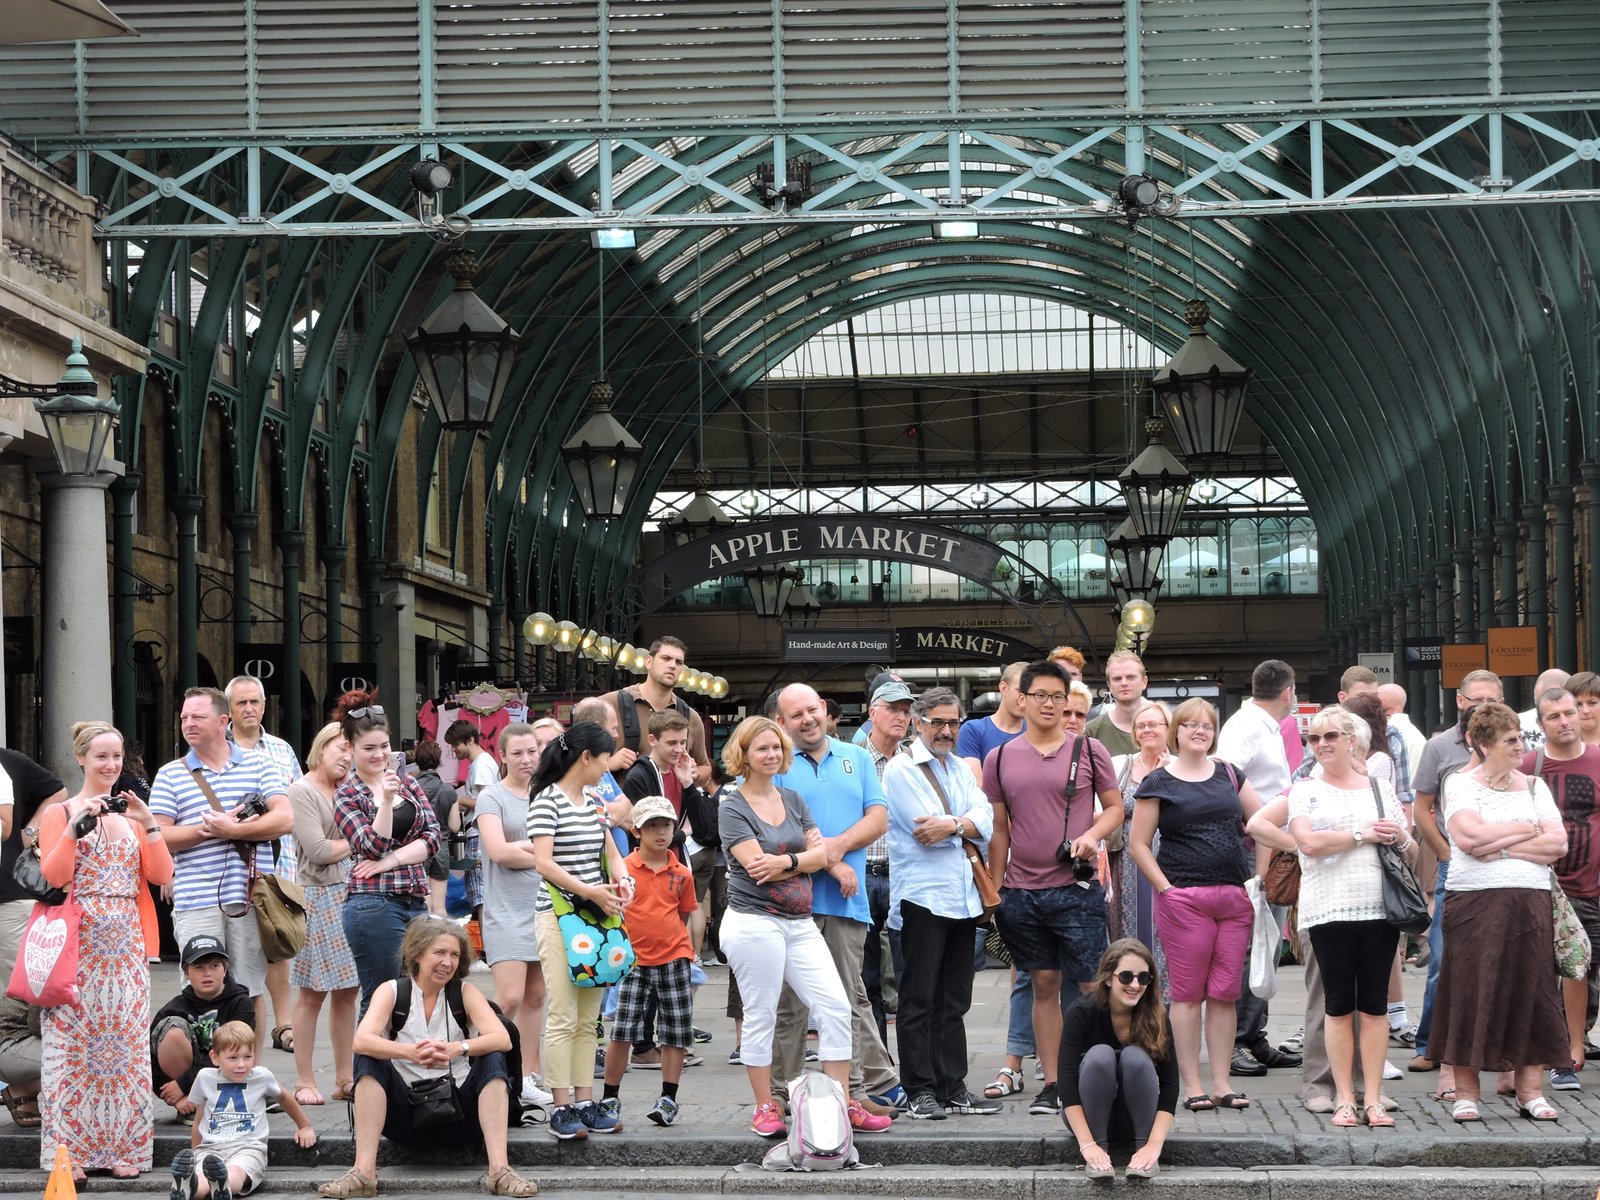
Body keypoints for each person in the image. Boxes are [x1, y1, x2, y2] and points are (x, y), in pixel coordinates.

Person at [1248, 707, 1410, 1128]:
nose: (1321, 744)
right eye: (1315, 738)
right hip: (1327, 908)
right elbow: (1308, 843)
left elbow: (1406, 839)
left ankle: (1372, 1097)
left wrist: (1396, 835)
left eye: (1331, 736)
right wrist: (1362, 835)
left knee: (1374, 1007)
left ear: (1352, 740)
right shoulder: (1305, 789)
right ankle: (1341, 1096)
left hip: (1379, 907)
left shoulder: (1378, 786)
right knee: (1336, 1006)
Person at [985, 660, 1122, 1117]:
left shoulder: (1088, 750)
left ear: (1068, 703)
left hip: (1075, 886)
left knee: (1090, 985)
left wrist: (1092, 835)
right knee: (1042, 982)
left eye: (1057, 697)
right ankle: (1055, 1083)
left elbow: (1115, 808)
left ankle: (1098, 1074)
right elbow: (999, 828)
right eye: (1039, 695)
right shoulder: (999, 758)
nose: (1049, 704)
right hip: (1020, 892)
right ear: (1020, 699)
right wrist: (996, 888)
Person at [38, 720, 174, 1179]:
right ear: (81, 758)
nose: (111, 765)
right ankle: (68, 1153)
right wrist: (74, 830)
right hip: (76, 944)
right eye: (101, 757)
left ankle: (123, 1150)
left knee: (123, 1049)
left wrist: (149, 822)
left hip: (127, 944)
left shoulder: (130, 816)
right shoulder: (60, 813)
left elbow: (159, 875)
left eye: (117, 757)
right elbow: (51, 878)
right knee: (72, 1049)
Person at [716, 716, 863, 1138]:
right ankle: (765, 1106)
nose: (772, 755)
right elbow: (755, 868)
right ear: (743, 754)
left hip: (799, 923)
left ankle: (840, 1101)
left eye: (777, 748)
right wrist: (802, 862)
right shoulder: (732, 807)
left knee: (835, 1007)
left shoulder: (793, 798)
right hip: (753, 923)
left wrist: (787, 862)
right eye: (762, 748)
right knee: (761, 1014)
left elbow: (823, 853)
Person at [316, 917, 535, 1199]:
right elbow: (361, 1040)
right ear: (418, 954)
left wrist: (456, 1048)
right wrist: (410, 1052)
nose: (448, 962)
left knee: (492, 1054)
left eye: (455, 955)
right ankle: (363, 1172)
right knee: (367, 1056)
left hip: (460, 1115)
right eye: (440, 953)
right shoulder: (392, 991)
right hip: (405, 1117)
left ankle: (499, 1170)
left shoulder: (465, 992)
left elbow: (502, 1038)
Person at [1429, 701, 1569, 1122]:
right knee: (1471, 990)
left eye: (1520, 738)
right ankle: (1467, 1092)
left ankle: (1530, 1091)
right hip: (1474, 903)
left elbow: (1557, 843)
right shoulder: (1459, 784)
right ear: (1483, 744)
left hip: (1530, 903)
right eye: (1510, 740)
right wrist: (1525, 831)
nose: (1520, 746)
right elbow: (1468, 837)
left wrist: (1503, 846)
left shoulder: (1532, 786)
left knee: (1533, 991)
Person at [770, 684, 900, 1125]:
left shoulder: (857, 756)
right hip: (791, 903)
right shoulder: (777, 765)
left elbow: (878, 818)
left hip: (847, 901)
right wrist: (833, 864)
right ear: (782, 723)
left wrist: (835, 853)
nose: (806, 719)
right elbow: (779, 830)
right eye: (795, 715)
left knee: (848, 997)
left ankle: (856, 1091)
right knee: (790, 1002)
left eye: (812, 710)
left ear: (825, 710)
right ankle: (782, 1093)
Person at [1128, 698, 1261, 1113]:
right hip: (1184, 898)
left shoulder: (1229, 774)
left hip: (1234, 897)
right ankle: (1191, 1084)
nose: (1200, 731)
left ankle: (1222, 1082)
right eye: (1191, 725)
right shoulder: (1158, 781)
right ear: (1177, 731)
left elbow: (1261, 824)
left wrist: (1260, 878)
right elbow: (1138, 844)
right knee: (1186, 995)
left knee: (1225, 993)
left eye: (1207, 725)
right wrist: (1166, 889)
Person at [151, 688, 294, 1054]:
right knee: (202, 990)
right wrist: (206, 830)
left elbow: (284, 817)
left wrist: (235, 830)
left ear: (222, 722)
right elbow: (157, 836)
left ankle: (251, 1075)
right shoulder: (171, 774)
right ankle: (207, 1079)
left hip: (248, 899)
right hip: (196, 900)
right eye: (184, 718)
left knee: (248, 990)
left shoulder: (259, 765)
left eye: (197, 717)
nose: (188, 724)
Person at [882, 687, 1000, 1120]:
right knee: (918, 1000)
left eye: (953, 723)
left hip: (964, 898)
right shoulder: (900, 770)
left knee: (955, 1001)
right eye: (938, 723)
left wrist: (954, 824)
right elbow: (922, 829)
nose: (947, 730)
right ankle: (920, 1090)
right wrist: (964, 824)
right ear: (918, 723)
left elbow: (985, 820)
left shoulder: (960, 770)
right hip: (922, 898)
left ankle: (953, 1087)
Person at [527, 721, 633, 1140]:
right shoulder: (546, 801)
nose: (608, 767)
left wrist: (623, 881)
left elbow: (611, 850)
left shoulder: (592, 801)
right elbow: (543, 863)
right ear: (586, 758)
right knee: (563, 1014)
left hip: (595, 917)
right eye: (605, 758)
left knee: (588, 1018)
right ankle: (561, 1106)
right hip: (558, 917)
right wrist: (591, 891)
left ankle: (585, 1102)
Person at [1408, 669, 1502, 1077]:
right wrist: (1445, 852)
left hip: (1504, 867)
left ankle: (1498, 1050)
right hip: (1456, 867)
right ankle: (1430, 1044)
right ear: (1460, 701)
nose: (1483, 706)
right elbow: (1421, 808)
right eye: (1475, 699)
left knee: (1504, 961)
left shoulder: (1511, 744)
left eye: (1491, 699)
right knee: (1443, 959)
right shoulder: (1439, 747)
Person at [1214, 658, 1299, 1078]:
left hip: (1268, 845)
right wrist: (1250, 838)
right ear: (1288, 692)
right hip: (1254, 847)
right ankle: (1237, 1041)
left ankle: (1255, 1034)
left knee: (1266, 941)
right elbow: (1225, 776)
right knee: (1251, 943)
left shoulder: (1260, 724)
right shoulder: (1247, 725)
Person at [332, 697, 443, 1014]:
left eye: (384, 745)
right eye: (369, 748)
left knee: (416, 995)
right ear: (350, 748)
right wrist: (386, 801)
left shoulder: (408, 782)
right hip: (373, 903)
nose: (379, 754)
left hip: (415, 900)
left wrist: (390, 861)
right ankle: (369, 1064)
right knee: (382, 998)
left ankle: (402, 1063)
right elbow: (372, 846)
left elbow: (433, 837)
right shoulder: (347, 794)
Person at [600, 796, 700, 1126]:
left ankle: (668, 1098)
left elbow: (684, 913)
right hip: (631, 960)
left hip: (674, 958)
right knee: (623, 1031)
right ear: (637, 831)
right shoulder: (622, 869)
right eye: (652, 826)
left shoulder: (682, 873)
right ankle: (610, 1098)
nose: (660, 832)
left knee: (675, 1033)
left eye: (666, 825)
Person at [1525, 687, 1600, 1090]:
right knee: (1548, 971)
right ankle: (1560, 1055)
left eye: (1569, 712)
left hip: (1589, 885)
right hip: (1541, 884)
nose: (1565, 721)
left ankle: (1575, 1045)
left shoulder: (1598, 761)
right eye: (1554, 716)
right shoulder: (1528, 767)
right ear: (1541, 725)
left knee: (1580, 970)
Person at [474, 723, 552, 1110]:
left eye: (532, 751)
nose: (526, 759)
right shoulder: (492, 797)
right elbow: (499, 852)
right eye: (517, 753)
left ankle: (527, 1076)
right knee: (508, 997)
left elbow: (559, 847)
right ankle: (484, 1066)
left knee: (537, 997)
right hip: (505, 910)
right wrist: (540, 855)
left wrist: (527, 850)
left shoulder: (546, 794)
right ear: (502, 755)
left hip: (542, 907)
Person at [225, 674, 301, 1057]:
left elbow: (296, 804)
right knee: (240, 949)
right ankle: (238, 1031)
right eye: (241, 703)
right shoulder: (217, 750)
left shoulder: (282, 750)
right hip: (230, 865)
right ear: (229, 710)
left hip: (278, 861)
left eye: (255, 701)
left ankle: (284, 1024)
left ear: (265, 705)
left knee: (277, 942)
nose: (249, 708)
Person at [287, 722, 360, 1106]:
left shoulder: (351, 788)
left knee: (349, 991)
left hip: (353, 892)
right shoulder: (302, 790)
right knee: (312, 993)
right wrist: (364, 837)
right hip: (317, 896)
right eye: (341, 747)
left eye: (352, 749)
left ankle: (345, 1077)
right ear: (321, 747)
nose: (347, 756)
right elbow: (317, 850)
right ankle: (303, 1078)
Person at [1060, 939, 1177, 1180]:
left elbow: (1170, 1085)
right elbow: (1066, 1084)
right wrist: (1088, 1145)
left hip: (1134, 1118)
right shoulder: (1081, 1012)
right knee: (1100, 1055)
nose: (1135, 985)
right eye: (1126, 977)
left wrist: (1153, 1147)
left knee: (1135, 1056)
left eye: (1143, 978)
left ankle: (1142, 1154)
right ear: (1108, 977)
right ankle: (1101, 1154)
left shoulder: (1156, 1015)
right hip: (1088, 1118)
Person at [169, 1019, 316, 1200]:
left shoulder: (261, 1076)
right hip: (210, 1149)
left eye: (248, 1057)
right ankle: (189, 1188)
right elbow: (199, 1120)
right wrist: (195, 1152)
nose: (241, 1064)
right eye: (233, 1058)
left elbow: (284, 1097)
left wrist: (304, 1126)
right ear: (215, 1057)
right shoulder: (205, 1077)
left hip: (248, 1148)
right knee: (201, 1178)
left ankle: (222, 1185)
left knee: (236, 1172)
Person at [860, 678, 914, 1043]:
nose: (901, 716)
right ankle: (877, 1065)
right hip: (862, 874)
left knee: (910, 975)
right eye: (893, 709)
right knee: (866, 979)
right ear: (872, 712)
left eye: (907, 711)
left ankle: (914, 1070)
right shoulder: (851, 759)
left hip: (904, 876)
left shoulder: (914, 762)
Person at [152, 936, 257, 1121]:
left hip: (228, 1075)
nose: (207, 973)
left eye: (214, 966)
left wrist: (183, 1084)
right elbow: (149, 1061)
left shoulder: (241, 1003)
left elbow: (236, 1052)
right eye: (199, 967)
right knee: (172, 1031)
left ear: (225, 970)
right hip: (187, 1081)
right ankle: (192, 1104)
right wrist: (175, 1096)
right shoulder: (172, 1008)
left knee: (235, 1049)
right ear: (186, 973)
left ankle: (225, 1099)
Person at [599, 636, 712, 783]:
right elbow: (578, 760)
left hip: (672, 804)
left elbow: (705, 767)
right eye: (666, 658)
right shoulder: (609, 705)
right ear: (648, 662)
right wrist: (609, 764)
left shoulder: (690, 716)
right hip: (624, 802)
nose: (672, 665)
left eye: (679, 662)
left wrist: (694, 772)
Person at [1109, 700, 1172, 957]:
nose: (1146, 730)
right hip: (1127, 862)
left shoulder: (1179, 767)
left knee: (1166, 926)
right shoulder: (1120, 765)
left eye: (1154, 724)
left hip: (1168, 857)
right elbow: (1108, 810)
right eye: (1140, 726)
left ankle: (1166, 994)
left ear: (1169, 728)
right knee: (1128, 927)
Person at [0, 747, 66, 982]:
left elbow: (58, 792)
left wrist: (30, 832)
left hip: (10, 897)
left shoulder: (8, 761)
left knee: (17, 988)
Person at [958, 661, 1027, 783]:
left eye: (1031, 693)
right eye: (1020, 691)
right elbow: (977, 787)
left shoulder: (1037, 732)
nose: (1024, 699)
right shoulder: (973, 730)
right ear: (1003, 688)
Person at [412, 741, 458, 916]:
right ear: (439, 761)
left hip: (417, 850)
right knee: (440, 907)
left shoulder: (410, 788)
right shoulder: (448, 790)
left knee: (424, 905)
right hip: (441, 849)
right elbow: (454, 826)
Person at [1084, 651, 1146, 758]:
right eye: (1117, 679)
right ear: (1109, 684)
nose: (1124, 683)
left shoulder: (1167, 727)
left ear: (1144, 682)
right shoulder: (1091, 731)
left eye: (1131, 677)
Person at [0, 995, 41, 1129]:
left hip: (26, 1037)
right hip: (11, 1040)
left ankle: (25, 1087)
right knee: (76, 1064)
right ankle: (22, 1086)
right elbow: (37, 1023)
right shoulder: (53, 973)